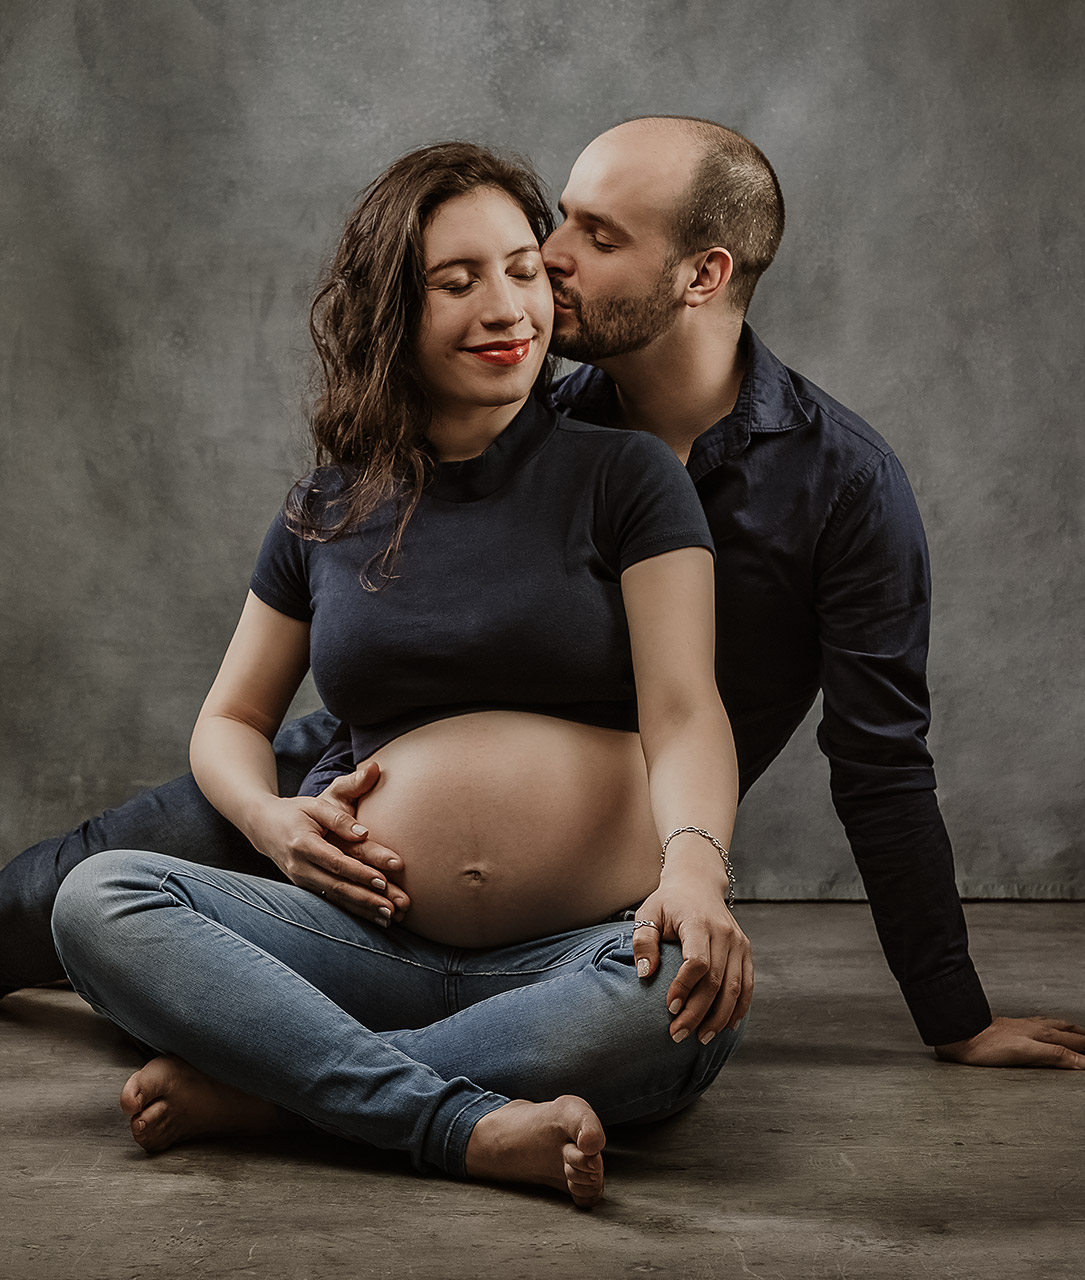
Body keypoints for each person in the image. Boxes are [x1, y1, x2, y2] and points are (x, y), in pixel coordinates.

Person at [0, 118, 1085, 1072]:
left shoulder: (832, 488)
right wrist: (287, 808)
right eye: (538, 237)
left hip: (606, 873)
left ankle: (287, 1076)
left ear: (702, 276)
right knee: (93, 871)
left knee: (631, 1022)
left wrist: (953, 1015)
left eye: (583, 238)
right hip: (357, 789)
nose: (547, 263)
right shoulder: (530, 408)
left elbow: (871, 761)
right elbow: (350, 586)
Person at [38, 140, 750, 1206]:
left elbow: (687, 709)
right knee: (98, 898)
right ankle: (452, 1118)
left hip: (583, 951)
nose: (508, 307)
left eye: (522, 268)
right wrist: (272, 823)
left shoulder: (627, 477)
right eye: (457, 283)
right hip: (359, 940)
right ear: (391, 314)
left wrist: (695, 865)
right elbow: (230, 718)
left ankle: (287, 1090)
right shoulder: (327, 507)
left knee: (670, 1009)